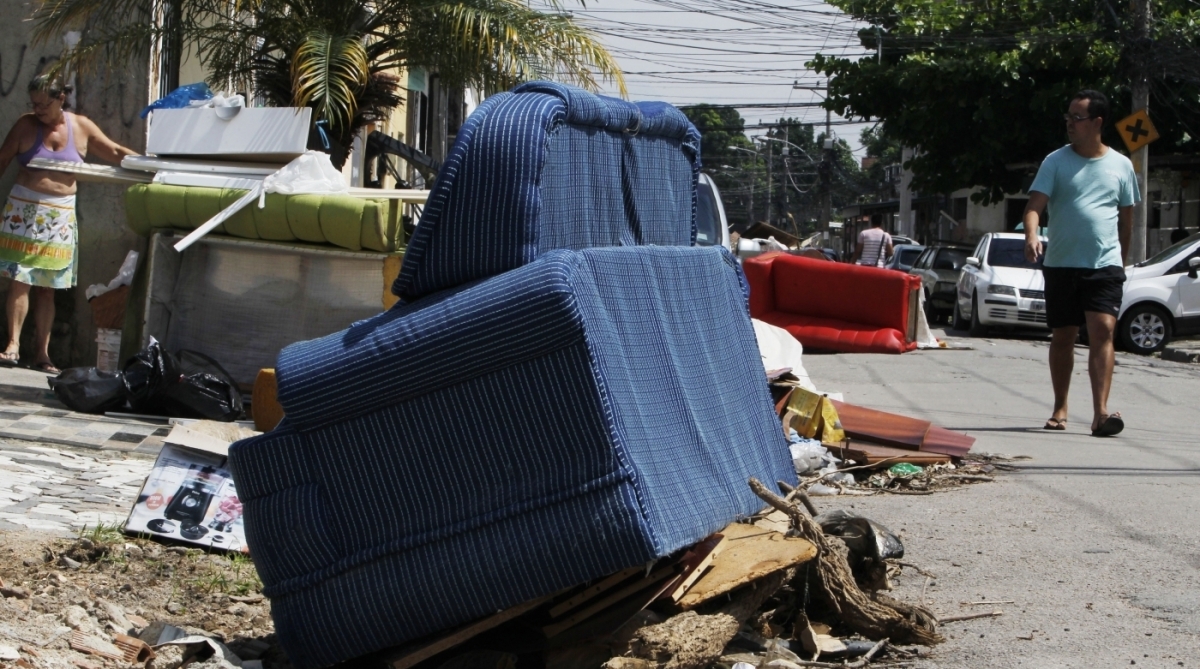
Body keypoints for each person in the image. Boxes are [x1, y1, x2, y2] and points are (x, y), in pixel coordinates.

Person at [0, 75, 136, 373]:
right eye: (33, 104)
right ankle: (12, 345)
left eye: (44, 104)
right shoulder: (26, 125)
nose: (38, 110)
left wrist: (148, 164)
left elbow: (112, 151)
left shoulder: (81, 127)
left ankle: (42, 355)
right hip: (24, 212)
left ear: (61, 98)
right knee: (20, 279)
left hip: (59, 216)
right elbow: (2, 160)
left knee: (48, 286)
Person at [1023, 89, 1138, 437]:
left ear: (1097, 122)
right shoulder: (1055, 161)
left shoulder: (1122, 165)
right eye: (1068, 117)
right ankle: (1060, 406)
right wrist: (1031, 235)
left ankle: (1101, 413)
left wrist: (1121, 260)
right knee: (1064, 335)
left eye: (1077, 117)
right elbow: (1034, 207)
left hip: (1104, 265)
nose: (1070, 123)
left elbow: (1127, 219)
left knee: (1103, 329)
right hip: (1060, 263)